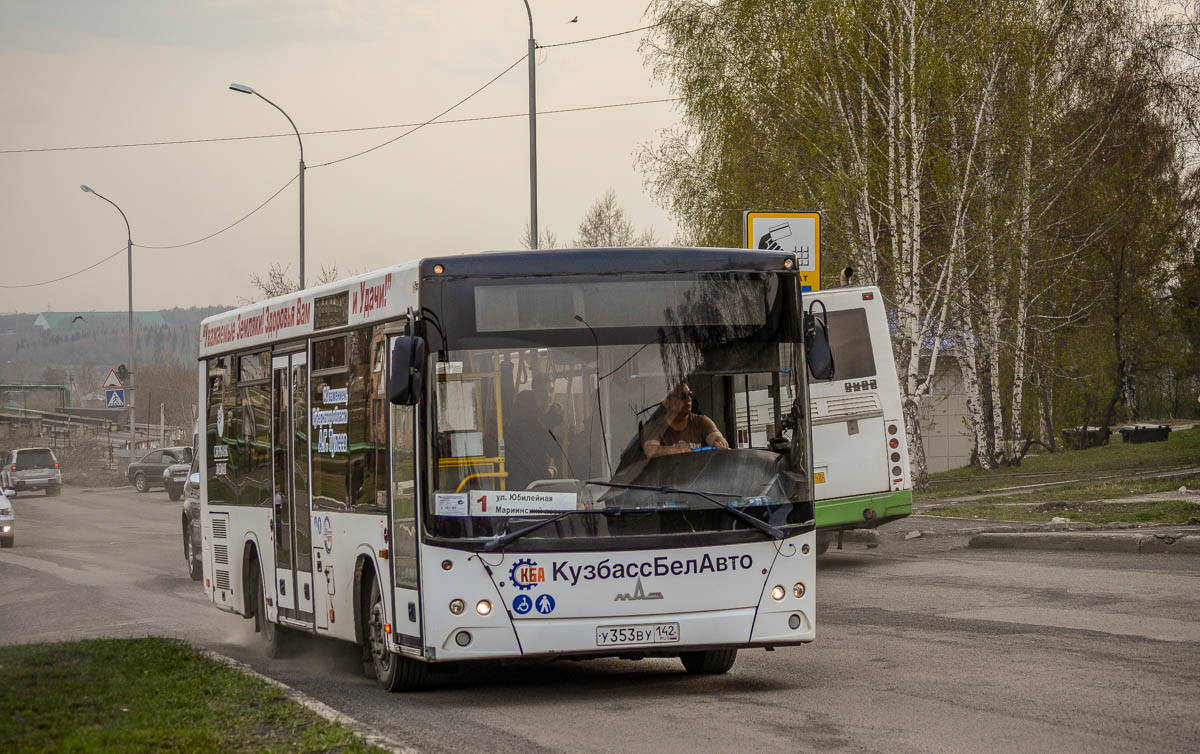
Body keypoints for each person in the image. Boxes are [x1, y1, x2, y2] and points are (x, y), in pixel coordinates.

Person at [641, 382, 729, 458]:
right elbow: (651, 450)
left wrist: (719, 443)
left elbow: (715, 437)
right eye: (682, 396)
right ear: (667, 402)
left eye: (690, 395)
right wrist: (681, 451)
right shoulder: (654, 427)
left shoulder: (702, 422)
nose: (689, 399)